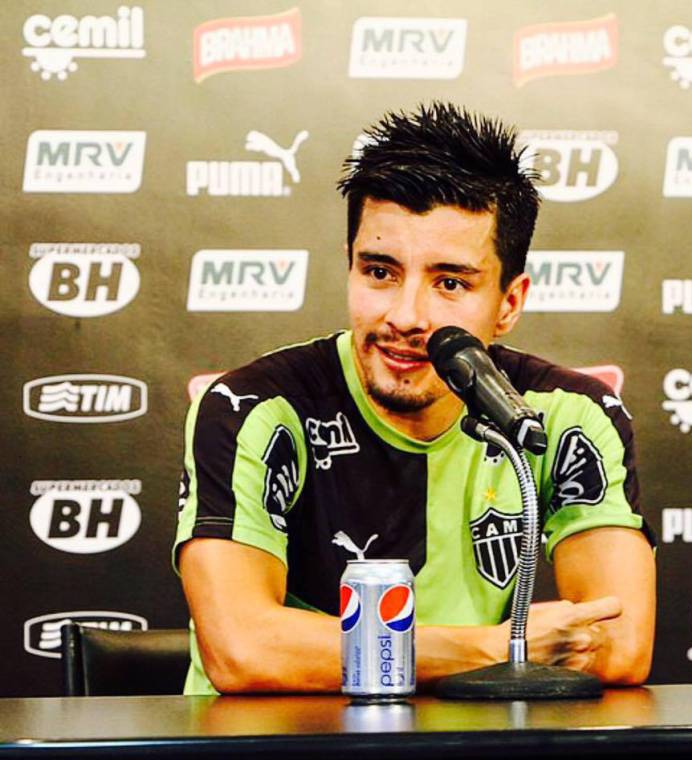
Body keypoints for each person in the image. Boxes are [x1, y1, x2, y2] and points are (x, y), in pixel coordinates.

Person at [174, 102, 656, 695]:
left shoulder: (567, 413)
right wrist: (496, 649)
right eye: (380, 272)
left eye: (450, 283)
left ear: (509, 303)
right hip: (282, 740)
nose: (405, 316)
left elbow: (620, 644)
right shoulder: (252, 408)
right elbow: (242, 650)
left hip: (469, 739)